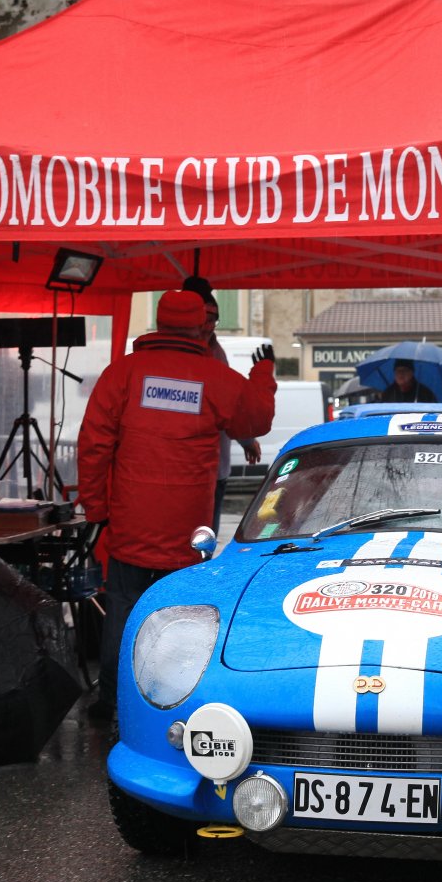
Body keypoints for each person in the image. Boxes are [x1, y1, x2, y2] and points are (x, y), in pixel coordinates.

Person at [77, 290, 277, 720]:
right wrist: (263, 373)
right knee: (180, 616)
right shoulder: (215, 378)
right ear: (199, 325)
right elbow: (256, 419)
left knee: (123, 611)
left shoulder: (123, 373)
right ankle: (171, 703)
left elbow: (93, 445)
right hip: (188, 530)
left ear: (159, 322)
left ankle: (112, 702)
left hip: (130, 522)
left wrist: (95, 509)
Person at [182, 274, 260, 533]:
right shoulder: (185, 354)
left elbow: (229, 405)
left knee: (204, 536)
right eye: (203, 318)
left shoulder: (217, 353)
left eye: (213, 319)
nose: (208, 326)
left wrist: (246, 439)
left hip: (214, 465)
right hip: (185, 466)